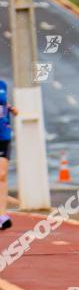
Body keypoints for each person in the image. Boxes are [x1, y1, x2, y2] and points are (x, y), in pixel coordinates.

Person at [0, 80, 18, 230]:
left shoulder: (2, 85)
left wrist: (11, 109)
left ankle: (2, 216)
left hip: (3, 135)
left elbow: (3, 104)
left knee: (2, 174)